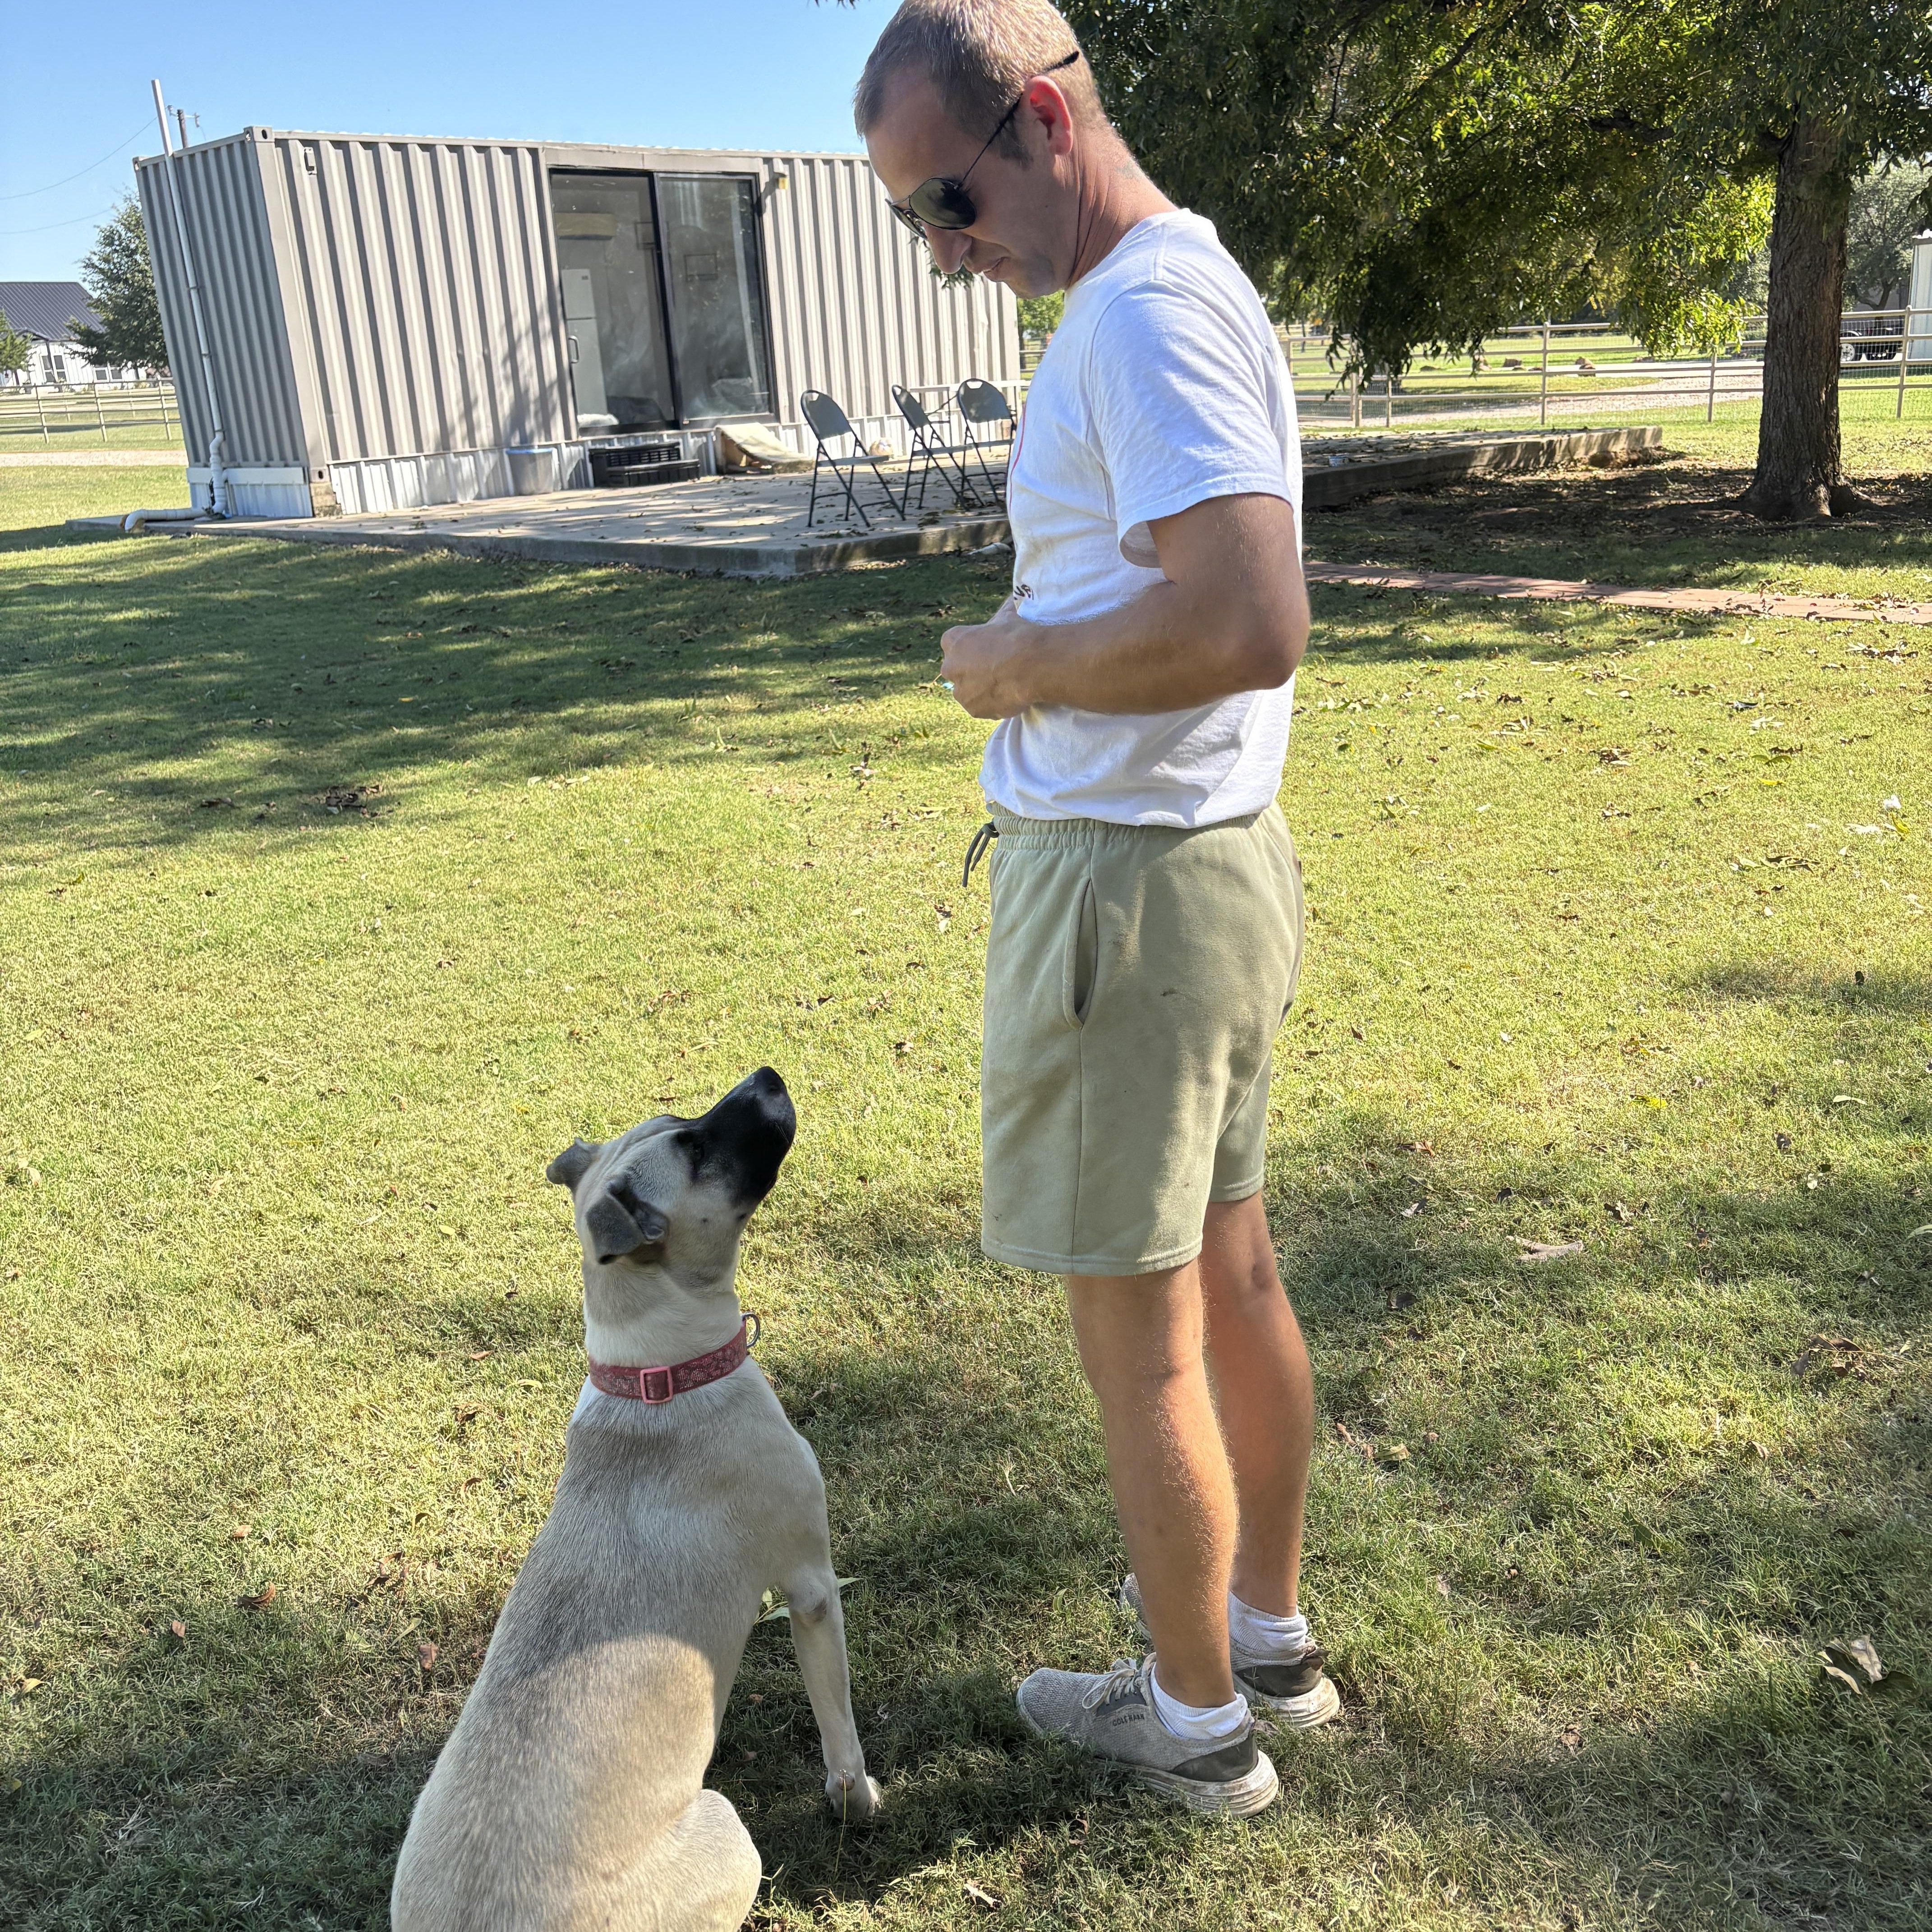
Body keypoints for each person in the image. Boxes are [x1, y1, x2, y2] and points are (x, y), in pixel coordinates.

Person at [856, 0, 1339, 1819]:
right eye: (915, 221)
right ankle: (1264, 1638)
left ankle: (1199, 1722)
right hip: (1206, 870)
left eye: (950, 205)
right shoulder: (1175, 289)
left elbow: (1244, 615)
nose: (945, 253)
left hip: (1128, 896)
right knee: (1231, 1275)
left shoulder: (1139, 315)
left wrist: (1009, 667)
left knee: (1138, 1338)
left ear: (1045, 119)